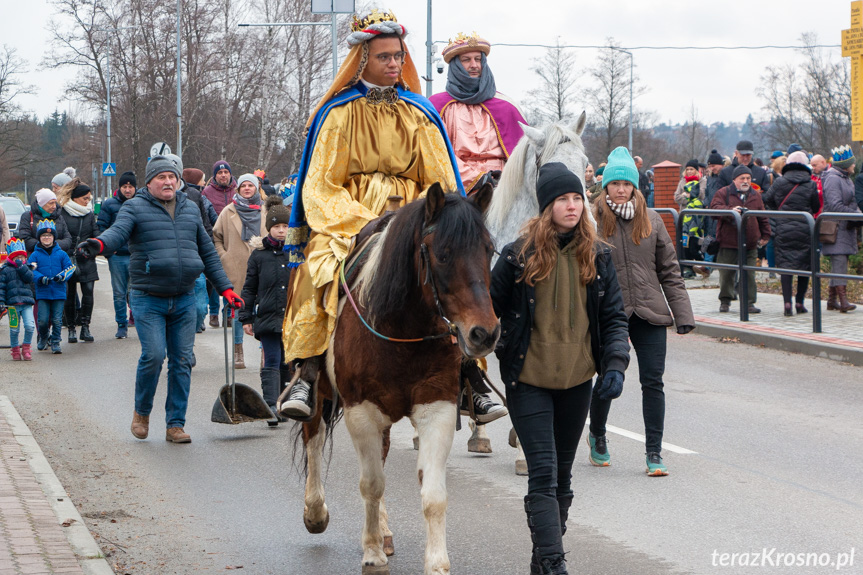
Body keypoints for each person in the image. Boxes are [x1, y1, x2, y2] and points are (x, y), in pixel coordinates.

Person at [278, 8, 463, 420]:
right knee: (318, 269)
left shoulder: (420, 114)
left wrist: (420, 219)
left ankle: (469, 375)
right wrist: (367, 221)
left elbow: (440, 181)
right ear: (363, 59)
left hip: (414, 219)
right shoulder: (338, 114)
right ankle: (308, 373)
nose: (394, 63)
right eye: (384, 57)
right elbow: (322, 184)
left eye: (398, 55)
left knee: (460, 273)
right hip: (351, 219)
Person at [490, 161, 629, 575]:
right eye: (562, 199)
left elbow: (614, 317)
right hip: (528, 379)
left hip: (576, 381)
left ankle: (541, 563)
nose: (572, 206)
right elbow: (485, 312)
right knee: (544, 474)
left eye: (577, 198)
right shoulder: (517, 256)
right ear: (546, 204)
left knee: (563, 479)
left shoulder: (598, 255)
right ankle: (554, 565)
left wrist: (616, 363)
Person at [76, 155, 241, 443]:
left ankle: (175, 424)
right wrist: (98, 244)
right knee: (153, 355)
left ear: (178, 181)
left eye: (172, 177)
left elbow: (208, 253)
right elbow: (116, 233)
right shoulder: (134, 207)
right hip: (147, 297)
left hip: (185, 297)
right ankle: (142, 412)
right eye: (161, 177)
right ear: (150, 182)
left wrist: (226, 289)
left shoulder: (191, 209)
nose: (168, 182)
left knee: (182, 361)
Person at [588, 147, 694, 478]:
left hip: (649, 310)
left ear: (635, 186)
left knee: (653, 382)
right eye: (615, 183)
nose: (621, 189)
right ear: (606, 185)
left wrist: (683, 315)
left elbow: (669, 270)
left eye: (626, 183)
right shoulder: (591, 221)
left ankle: (654, 452)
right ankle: (597, 433)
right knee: (606, 378)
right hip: (610, 313)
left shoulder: (652, 220)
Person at [429, 31, 527, 191]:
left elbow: (523, 156)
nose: (474, 65)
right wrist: (477, 179)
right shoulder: (436, 105)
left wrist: (503, 181)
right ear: (455, 65)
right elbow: (435, 153)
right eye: (466, 60)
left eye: (478, 59)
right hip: (455, 185)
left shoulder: (507, 106)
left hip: (503, 187)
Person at [240, 195, 294, 423]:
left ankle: (284, 403)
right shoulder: (258, 256)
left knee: (287, 361)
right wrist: (246, 317)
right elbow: (249, 287)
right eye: (277, 226)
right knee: (271, 358)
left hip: (292, 318)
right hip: (268, 317)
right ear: (269, 228)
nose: (281, 231)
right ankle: (270, 404)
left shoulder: (296, 254)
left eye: (285, 226)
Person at [213, 173, 267, 369]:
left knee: (265, 310)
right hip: (236, 266)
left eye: (250, 186)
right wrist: (224, 256)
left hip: (262, 265)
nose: (246, 188)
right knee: (239, 308)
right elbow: (216, 236)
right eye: (243, 185)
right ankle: (238, 350)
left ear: (256, 188)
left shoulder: (266, 210)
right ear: (238, 189)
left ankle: (265, 352)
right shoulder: (229, 211)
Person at [762, 151, 821, 316]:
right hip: (805, 229)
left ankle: (787, 303)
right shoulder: (810, 184)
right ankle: (800, 303)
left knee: (786, 267)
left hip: (784, 228)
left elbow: (768, 199)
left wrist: (780, 210)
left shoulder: (780, 182)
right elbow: (816, 207)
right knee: (804, 266)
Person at [709, 165, 771, 313]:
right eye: (742, 178)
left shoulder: (755, 195)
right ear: (734, 179)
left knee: (749, 274)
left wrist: (766, 235)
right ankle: (725, 301)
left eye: (748, 178)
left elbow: (762, 216)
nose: (745, 181)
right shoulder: (723, 192)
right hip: (728, 241)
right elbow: (713, 209)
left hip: (750, 242)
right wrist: (730, 211)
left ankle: (749, 303)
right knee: (726, 274)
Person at [56, 179, 99, 343]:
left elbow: (96, 234)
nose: (88, 201)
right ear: (75, 197)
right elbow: (59, 235)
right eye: (85, 198)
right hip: (67, 258)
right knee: (70, 295)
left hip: (86, 258)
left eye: (89, 198)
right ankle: (72, 329)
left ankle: (85, 327)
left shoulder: (89, 214)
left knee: (88, 293)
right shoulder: (62, 213)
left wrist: (92, 247)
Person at [821, 146, 861, 313]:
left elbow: (851, 201)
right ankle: (843, 301)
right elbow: (835, 205)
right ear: (846, 164)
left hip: (844, 227)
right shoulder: (833, 178)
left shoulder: (845, 178)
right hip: (836, 228)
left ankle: (832, 300)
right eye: (852, 163)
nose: (854, 165)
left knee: (839, 263)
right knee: (839, 262)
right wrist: (856, 215)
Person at [97, 171, 138, 338]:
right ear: (119, 187)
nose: (127, 190)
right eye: (124, 186)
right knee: (119, 292)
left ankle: (137, 318)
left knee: (135, 291)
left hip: (136, 255)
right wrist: (109, 250)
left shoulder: (141, 204)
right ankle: (121, 324)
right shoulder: (109, 205)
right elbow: (102, 227)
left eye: (130, 187)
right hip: (117, 256)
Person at [28, 220, 75, 355]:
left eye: (49, 236)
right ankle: (43, 336)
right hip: (42, 291)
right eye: (43, 236)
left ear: (54, 237)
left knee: (57, 319)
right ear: (39, 238)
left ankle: (55, 341)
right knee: (42, 319)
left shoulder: (61, 254)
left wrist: (62, 276)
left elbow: (70, 268)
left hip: (59, 292)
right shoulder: (35, 255)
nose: (46, 238)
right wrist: (40, 278)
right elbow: (30, 270)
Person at [183, 167, 219, 334]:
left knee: (200, 301)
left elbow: (206, 225)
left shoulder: (198, 196)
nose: (204, 183)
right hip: (178, 260)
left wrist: (210, 247)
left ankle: (197, 323)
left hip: (197, 256)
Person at [202, 160, 238, 328]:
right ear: (215, 176)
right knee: (214, 276)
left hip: (234, 240)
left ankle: (228, 312)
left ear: (230, 174)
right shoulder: (207, 192)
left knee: (230, 276)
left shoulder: (237, 190)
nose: (223, 175)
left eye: (226, 172)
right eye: (219, 173)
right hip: (214, 239)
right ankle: (214, 312)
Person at [0, 239, 36, 361]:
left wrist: (22, 267)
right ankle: (15, 349)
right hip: (12, 305)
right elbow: (1, 287)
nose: (20, 259)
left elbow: (29, 278)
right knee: (14, 329)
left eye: (22, 257)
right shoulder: (5, 270)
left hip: (26, 303)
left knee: (30, 326)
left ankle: (26, 347)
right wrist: (1, 301)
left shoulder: (27, 268)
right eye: (17, 257)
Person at [674, 159, 708, 278]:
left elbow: (701, 195)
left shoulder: (702, 181)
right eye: (687, 169)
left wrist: (687, 195)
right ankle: (688, 268)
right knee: (684, 243)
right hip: (684, 217)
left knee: (695, 243)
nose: (689, 171)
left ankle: (702, 265)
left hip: (698, 217)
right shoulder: (682, 181)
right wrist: (689, 197)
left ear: (696, 170)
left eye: (691, 169)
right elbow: (677, 197)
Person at [17, 189, 73, 254]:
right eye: (51, 203)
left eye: (55, 202)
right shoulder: (28, 217)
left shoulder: (59, 217)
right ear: (41, 204)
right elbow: (25, 239)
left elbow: (68, 239)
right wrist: (45, 244)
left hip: (56, 258)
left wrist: (52, 245)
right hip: (36, 258)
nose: (54, 206)